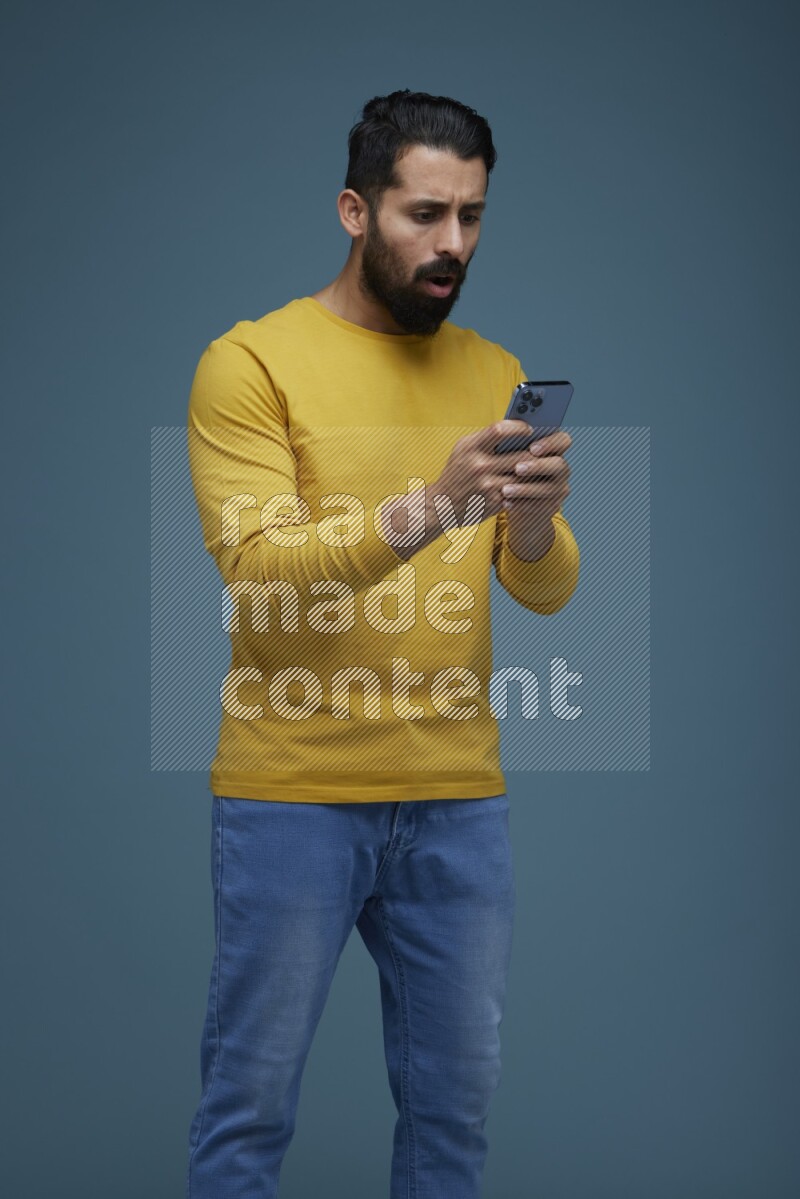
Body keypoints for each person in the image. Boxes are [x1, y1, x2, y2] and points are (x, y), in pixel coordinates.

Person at [185, 89, 579, 1198]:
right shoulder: (250, 363)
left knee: (453, 1119)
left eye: (470, 215)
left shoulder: (489, 363)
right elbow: (260, 580)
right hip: (291, 795)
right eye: (422, 214)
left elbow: (543, 590)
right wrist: (433, 506)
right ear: (355, 211)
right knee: (248, 1112)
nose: (450, 243)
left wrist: (535, 518)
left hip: (457, 800)